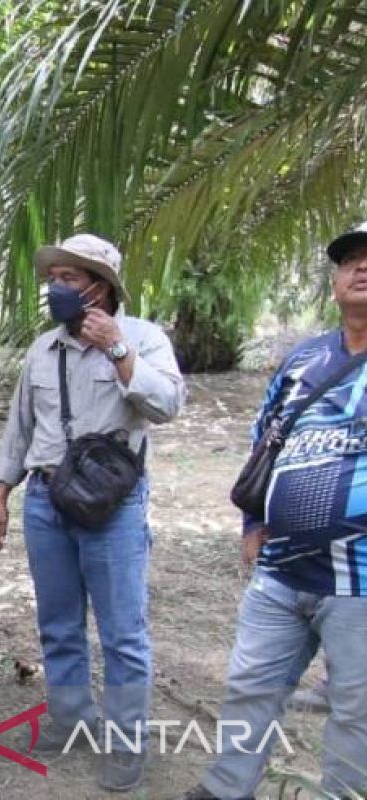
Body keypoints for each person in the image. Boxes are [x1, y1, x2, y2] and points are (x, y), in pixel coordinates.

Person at [0, 233, 185, 793]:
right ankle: (71, 717)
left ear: (101, 288)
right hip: (46, 500)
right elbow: (20, 426)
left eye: (70, 280)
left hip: (112, 505)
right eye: (55, 278)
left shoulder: (143, 338)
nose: (57, 289)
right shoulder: (43, 349)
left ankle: (126, 742)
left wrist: (119, 350)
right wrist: (2, 492)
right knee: (58, 622)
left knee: (122, 632)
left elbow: (167, 406)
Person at [181, 224, 367, 800]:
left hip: (359, 580)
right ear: (334, 283)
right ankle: (227, 788)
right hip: (281, 571)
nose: (360, 268)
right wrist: (254, 523)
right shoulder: (305, 358)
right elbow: (265, 443)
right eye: (350, 261)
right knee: (249, 687)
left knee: (357, 711)